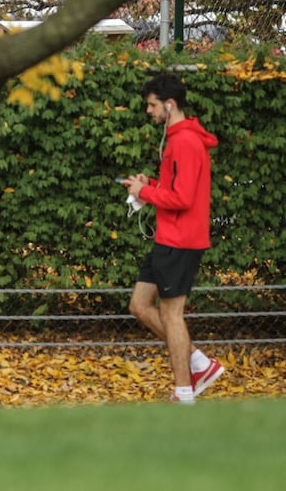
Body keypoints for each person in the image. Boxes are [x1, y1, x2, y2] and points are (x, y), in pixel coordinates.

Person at [121, 72, 224, 403]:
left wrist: (146, 193)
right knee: (139, 305)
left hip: (180, 240)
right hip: (169, 237)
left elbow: (183, 198)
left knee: (171, 315)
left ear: (169, 104)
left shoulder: (185, 142)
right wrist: (147, 185)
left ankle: (184, 390)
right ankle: (198, 362)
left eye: (151, 105)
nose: (148, 112)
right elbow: (175, 189)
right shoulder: (178, 138)